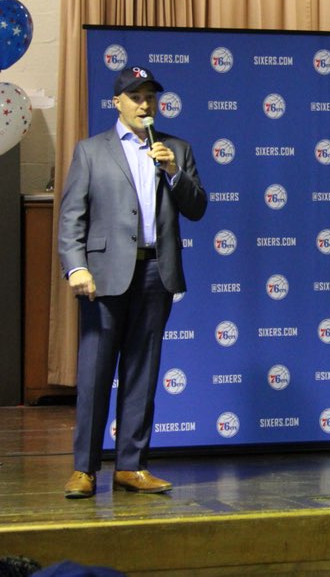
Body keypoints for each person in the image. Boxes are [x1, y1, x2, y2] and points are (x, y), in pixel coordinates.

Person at [58, 66, 207, 498]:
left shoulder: (175, 148)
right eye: (136, 97)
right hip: (102, 276)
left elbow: (197, 208)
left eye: (150, 97)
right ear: (117, 103)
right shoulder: (91, 151)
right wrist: (76, 266)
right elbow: (72, 219)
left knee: (143, 374)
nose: (145, 104)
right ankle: (85, 469)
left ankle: (131, 466)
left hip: (155, 273)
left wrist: (175, 172)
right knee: (95, 373)